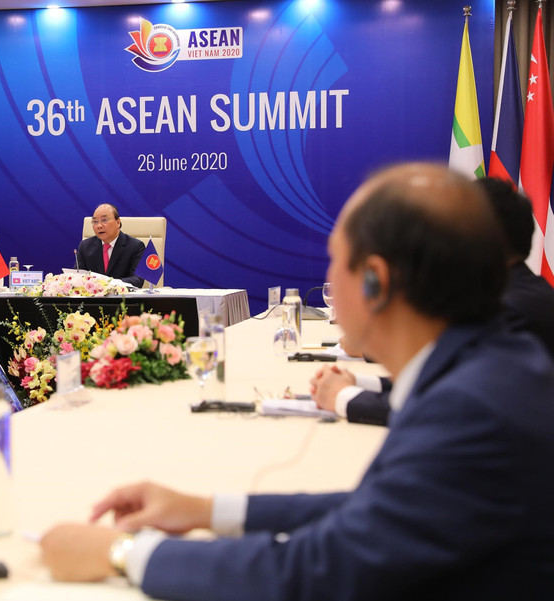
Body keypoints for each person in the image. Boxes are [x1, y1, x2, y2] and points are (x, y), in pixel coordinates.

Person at [39, 163, 554, 599]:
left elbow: (317, 569)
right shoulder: (481, 365)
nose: (328, 284)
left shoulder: (473, 406)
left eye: (335, 261)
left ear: (375, 280)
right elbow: (367, 510)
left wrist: (123, 551)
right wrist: (202, 510)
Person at [312, 176, 554, 426]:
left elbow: (446, 409)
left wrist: (343, 396)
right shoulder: (512, 292)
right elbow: (439, 375)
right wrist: (358, 382)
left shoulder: (509, 310)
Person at [76, 203, 145, 287]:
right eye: (95, 221)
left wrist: (108, 284)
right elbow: (77, 276)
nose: (99, 226)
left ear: (118, 222)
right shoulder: (85, 246)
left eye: (104, 220)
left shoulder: (135, 246)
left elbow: (138, 280)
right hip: (93, 298)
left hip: (122, 298)